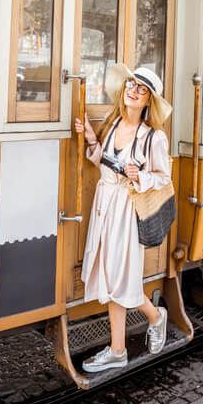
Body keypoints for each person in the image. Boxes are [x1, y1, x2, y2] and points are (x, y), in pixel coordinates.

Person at [73, 64, 173, 373]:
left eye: (142, 89)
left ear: (148, 101)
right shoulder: (113, 123)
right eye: (131, 84)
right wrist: (92, 139)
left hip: (128, 209)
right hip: (104, 204)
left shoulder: (153, 137)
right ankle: (118, 348)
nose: (133, 90)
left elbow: (163, 179)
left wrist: (141, 175)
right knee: (108, 274)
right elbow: (103, 159)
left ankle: (154, 318)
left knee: (119, 278)